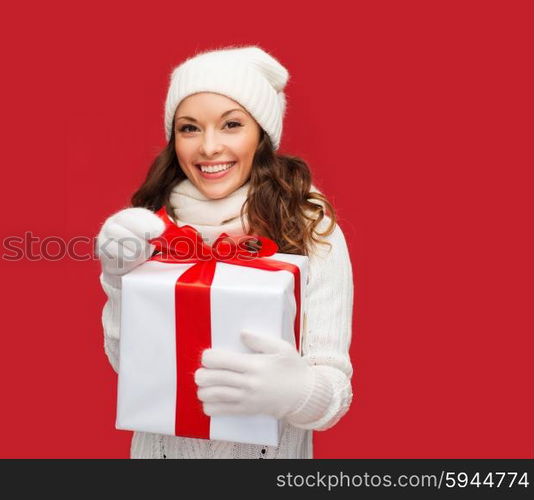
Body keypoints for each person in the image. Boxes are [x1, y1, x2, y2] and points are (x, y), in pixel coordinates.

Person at [95, 45, 354, 459]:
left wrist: (299, 392)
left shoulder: (309, 226)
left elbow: (335, 395)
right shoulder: (149, 225)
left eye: (231, 124)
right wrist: (117, 278)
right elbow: (128, 367)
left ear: (261, 134)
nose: (209, 147)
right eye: (189, 128)